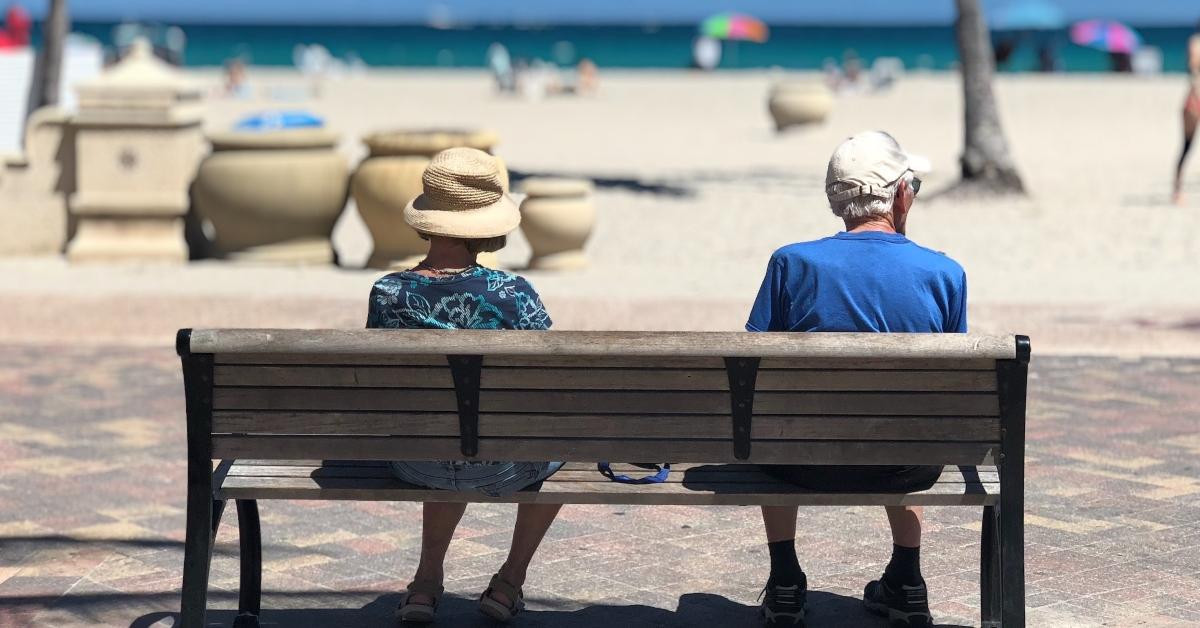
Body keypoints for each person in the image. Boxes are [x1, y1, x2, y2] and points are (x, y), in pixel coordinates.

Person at [746, 131, 967, 628]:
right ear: (900, 195)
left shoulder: (791, 264)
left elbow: (753, 368)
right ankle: (907, 579)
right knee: (912, 419)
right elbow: (949, 388)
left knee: (771, 424)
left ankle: (784, 581)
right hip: (906, 465)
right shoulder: (944, 274)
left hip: (800, 462)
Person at [367, 147, 561, 624]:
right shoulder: (514, 294)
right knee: (564, 440)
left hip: (415, 463)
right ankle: (509, 582)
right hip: (503, 467)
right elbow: (551, 374)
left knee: (443, 426)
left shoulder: (387, 293)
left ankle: (426, 584)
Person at [1174, 21, 1200, 205]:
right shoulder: (1195, 42)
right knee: (1187, 145)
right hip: (1194, 98)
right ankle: (1177, 189)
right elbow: (1193, 68)